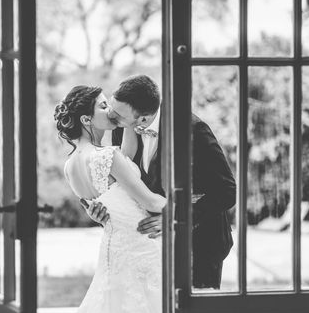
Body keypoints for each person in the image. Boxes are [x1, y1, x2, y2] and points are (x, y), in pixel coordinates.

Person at [38, 85, 165, 313]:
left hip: (113, 253)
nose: (110, 109)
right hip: (141, 251)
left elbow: (103, 198)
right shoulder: (107, 157)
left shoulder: (72, 163)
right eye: (103, 105)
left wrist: (123, 123)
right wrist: (185, 201)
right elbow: (151, 201)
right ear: (85, 118)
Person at [87, 74, 236, 289]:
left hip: (200, 243)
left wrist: (176, 217)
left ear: (144, 119)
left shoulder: (194, 130)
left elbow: (227, 190)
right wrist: (104, 210)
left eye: (117, 114)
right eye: (111, 107)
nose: (111, 115)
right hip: (150, 247)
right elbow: (128, 183)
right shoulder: (123, 126)